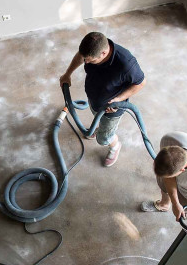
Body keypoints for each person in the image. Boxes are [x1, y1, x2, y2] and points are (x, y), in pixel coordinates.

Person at [59, 32, 146, 167]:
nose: (86, 62)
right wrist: (67, 74)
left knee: (104, 138)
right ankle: (100, 128)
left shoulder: (126, 64)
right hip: (95, 100)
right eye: (85, 59)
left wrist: (119, 99)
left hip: (111, 110)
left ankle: (115, 146)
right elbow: (82, 56)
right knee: (97, 118)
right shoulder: (93, 49)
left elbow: (140, 83)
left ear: (103, 53)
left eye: (90, 60)